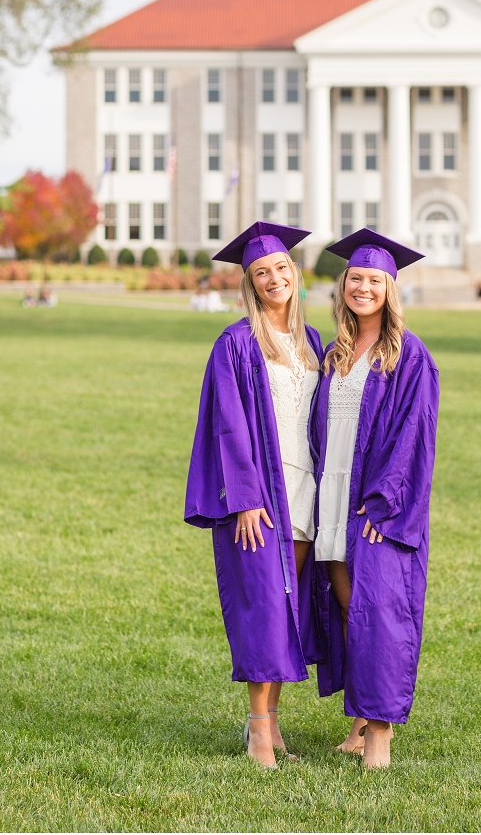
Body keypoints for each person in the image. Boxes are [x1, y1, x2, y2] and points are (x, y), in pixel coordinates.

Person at [184, 221, 324, 769]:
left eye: (282, 269)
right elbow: (229, 425)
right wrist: (243, 497)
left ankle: (271, 723)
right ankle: (259, 731)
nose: (274, 278)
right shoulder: (236, 343)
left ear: (295, 274)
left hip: (306, 488)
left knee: (287, 608)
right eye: (262, 272)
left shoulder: (311, 342)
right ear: (250, 282)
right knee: (264, 607)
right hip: (262, 493)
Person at [310, 229, 439, 769]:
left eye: (374, 280)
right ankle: (361, 722)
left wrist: (384, 503)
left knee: (379, 609)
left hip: (375, 504)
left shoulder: (408, 356)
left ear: (389, 288)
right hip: (332, 494)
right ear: (343, 287)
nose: (363, 288)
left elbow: (414, 434)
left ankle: (378, 739)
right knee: (347, 607)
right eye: (355, 279)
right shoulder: (333, 351)